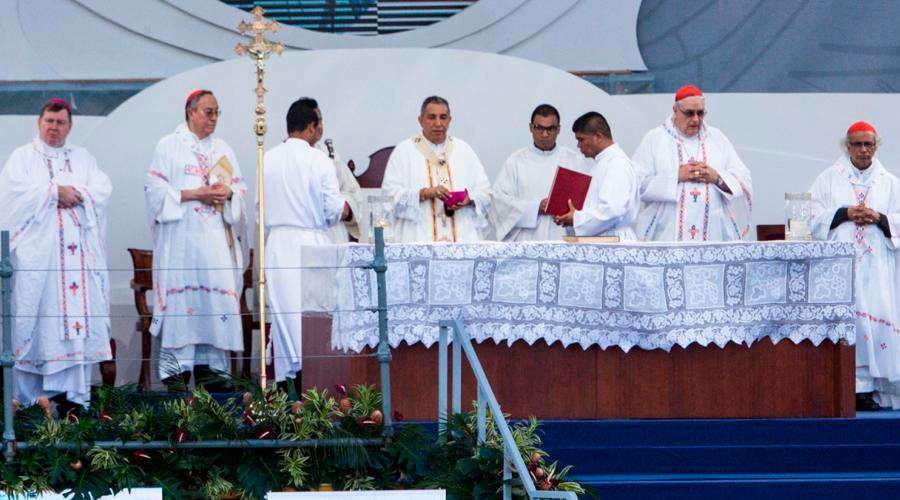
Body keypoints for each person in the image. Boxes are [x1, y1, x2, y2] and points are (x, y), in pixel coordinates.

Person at [0, 98, 112, 410]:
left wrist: (77, 195)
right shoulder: (23, 157)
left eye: (60, 122)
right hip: (39, 263)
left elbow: (102, 190)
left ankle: (71, 401)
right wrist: (53, 193)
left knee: (72, 330)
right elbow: (9, 198)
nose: (54, 127)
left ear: (69, 126)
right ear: (39, 122)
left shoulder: (83, 158)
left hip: (76, 262)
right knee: (36, 325)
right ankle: (27, 402)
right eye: (49, 121)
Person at [145, 89, 248, 390]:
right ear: (190, 112)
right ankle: (178, 395)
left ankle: (213, 386)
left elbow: (239, 192)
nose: (214, 118)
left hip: (215, 245)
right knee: (182, 316)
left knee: (213, 316)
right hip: (182, 246)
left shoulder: (224, 150)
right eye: (208, 112)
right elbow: (153, 191)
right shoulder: (169, 146)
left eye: (217, 112)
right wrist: (195, 194)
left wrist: (228, 194)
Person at [809, 121, 900, 411]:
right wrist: (845, 213)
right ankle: (850, 387)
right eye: (857, 144)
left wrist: (880, 218)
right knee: (852, 321)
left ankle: (875, 387)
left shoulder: (890, 182)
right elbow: (812, 217)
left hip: (878, 267)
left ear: (876, 146)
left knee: (877, 319)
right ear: (846, 146)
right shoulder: (828, 178)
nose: (863, 150)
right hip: (842, 267)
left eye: (868, 144)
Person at [263, 98, 349, 390]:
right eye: (320, 122)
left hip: (277, 244)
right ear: (311, 127)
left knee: (284, 317)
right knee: (311, 318)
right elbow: (332, 209)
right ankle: (311, 387)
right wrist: (347, 210)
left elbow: (259, 208)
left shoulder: (268, 157)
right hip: (311, 244)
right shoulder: (319, 160)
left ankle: (288, 389)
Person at [633, 84, 753, 241]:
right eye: (689, 113)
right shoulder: (655, 139)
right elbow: (636, 183)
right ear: (675, 110)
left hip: (712, 233)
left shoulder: (717, 138)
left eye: (700, 113)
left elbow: (743, 179)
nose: (696, 119)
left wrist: (716, 177)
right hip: (667, 234)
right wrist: (675, 177)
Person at [382, 96, 491, 242]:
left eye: (443, 117)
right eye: (432, 117)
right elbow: (389, 197)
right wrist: (424, 193)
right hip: (418, 240)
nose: (438, 123)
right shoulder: (403, 151)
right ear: (420, 120)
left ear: (450, 120)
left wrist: (469, 199)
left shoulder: (464, 150)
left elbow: (486, 193)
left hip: (461, 241)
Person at [490, 104, 588, 241]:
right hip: (527, 240)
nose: (545, 134)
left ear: (558, 129)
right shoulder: (516, 161)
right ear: (531, 128)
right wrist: (535, 208)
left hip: (562, 237)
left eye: (550, 129)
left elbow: (588, 202)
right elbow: (499, 203)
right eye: (539, 128)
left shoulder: (573, 160)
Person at [553, 112, 640, 240]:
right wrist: (570, 215)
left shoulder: (617, 163)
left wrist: (576, 218)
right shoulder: (601, 163)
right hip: (603, 238)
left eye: (581, 139)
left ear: (598, 137)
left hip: (614, 240)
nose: (578, 145)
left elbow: (612, 210)